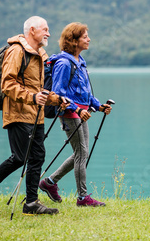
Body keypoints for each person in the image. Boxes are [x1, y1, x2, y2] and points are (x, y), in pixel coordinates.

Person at [0, 16, 69, 216]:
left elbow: (39, 90)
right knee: (20, 157)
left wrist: (58, 100)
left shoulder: (38, 54)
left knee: (38, 156)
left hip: (36, 114)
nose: (48, 33)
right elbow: (7, 85)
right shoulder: (16, 51)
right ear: (33, 30)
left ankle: (31, 203)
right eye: (45, 29)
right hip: (17, 113)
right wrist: (33, 97)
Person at [39, 22, 112, 207]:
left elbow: (85, 93)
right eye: (85, 36)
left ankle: (49, 182)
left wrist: (98, 106)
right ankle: (83, 198)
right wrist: (76, 109)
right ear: (74, 40)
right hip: (70, 114)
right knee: (81, 153)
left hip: (82, 113)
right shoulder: (64, 63)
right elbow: (58, 94)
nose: (89, 39)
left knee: (81, 153)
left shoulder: (79, 62)